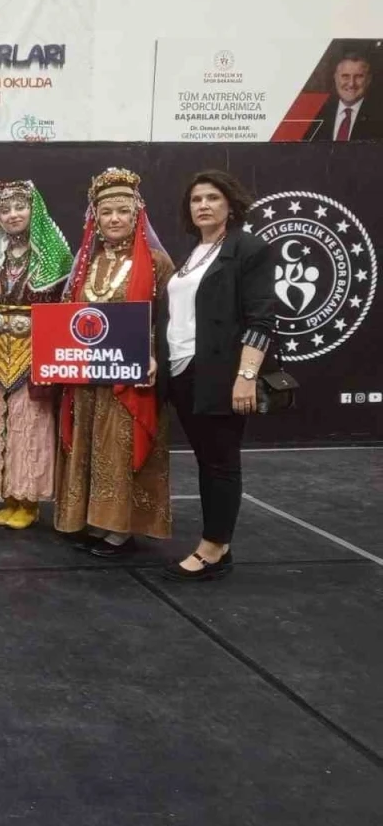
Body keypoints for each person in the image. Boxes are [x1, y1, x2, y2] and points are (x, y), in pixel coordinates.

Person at [163, 170, 277, 580]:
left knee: (220, 462)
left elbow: (262, 319)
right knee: (205, 459)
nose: (203, 205)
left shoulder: (249, 248)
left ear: (231, 204)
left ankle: (214, 549)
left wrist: (245, 376)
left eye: (212, 197)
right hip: (182, 370)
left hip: (221, 374)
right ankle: (217, 544)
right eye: (196, 199)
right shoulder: (195, 251)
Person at [55, 168, 174, 556]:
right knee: (88, 445)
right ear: (95, 218)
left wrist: (155, 356)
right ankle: (90, 520)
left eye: (123, 211)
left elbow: (171, 320)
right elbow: (68, 315)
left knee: (119, 448)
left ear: (137, 215)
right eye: (106, 212)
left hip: (132, 376)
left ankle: (121, 528)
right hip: (88, 375)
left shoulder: (156, 263)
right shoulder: (84, 262)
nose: (114, 219)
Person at [0, 180, 73, 530]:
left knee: (30, 425)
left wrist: (49, 359)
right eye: (4, 210)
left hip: (34, 350)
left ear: (35, 210)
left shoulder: (53, 255)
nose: (12, 215)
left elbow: (62, 312)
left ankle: (28, 501)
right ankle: (8, 497)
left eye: (20, 207)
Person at [306, 52, 382, 141]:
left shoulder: (379, 116)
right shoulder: (317, 113)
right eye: (345, 76)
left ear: (368, 80)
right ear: (335, 77)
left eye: (359, 76)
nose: (351, 84)